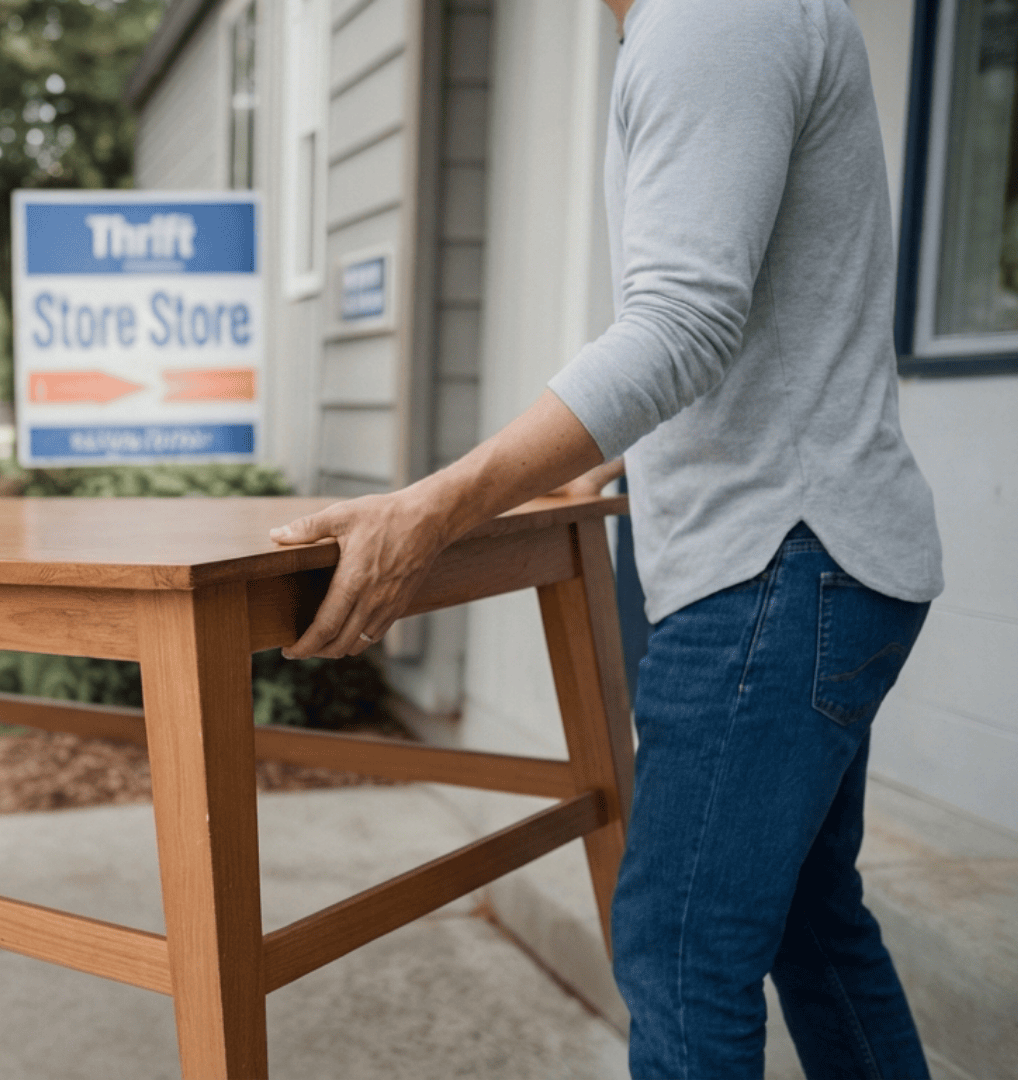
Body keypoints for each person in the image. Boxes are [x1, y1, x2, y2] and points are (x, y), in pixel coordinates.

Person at [273, 0, 940, 1076]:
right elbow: (779, 308)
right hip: (811, 559)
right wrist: (621, 450)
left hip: (775, 568)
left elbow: (684, 320)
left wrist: (432, 507)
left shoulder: (710, 19)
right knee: (814, 927)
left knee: (680, 953)